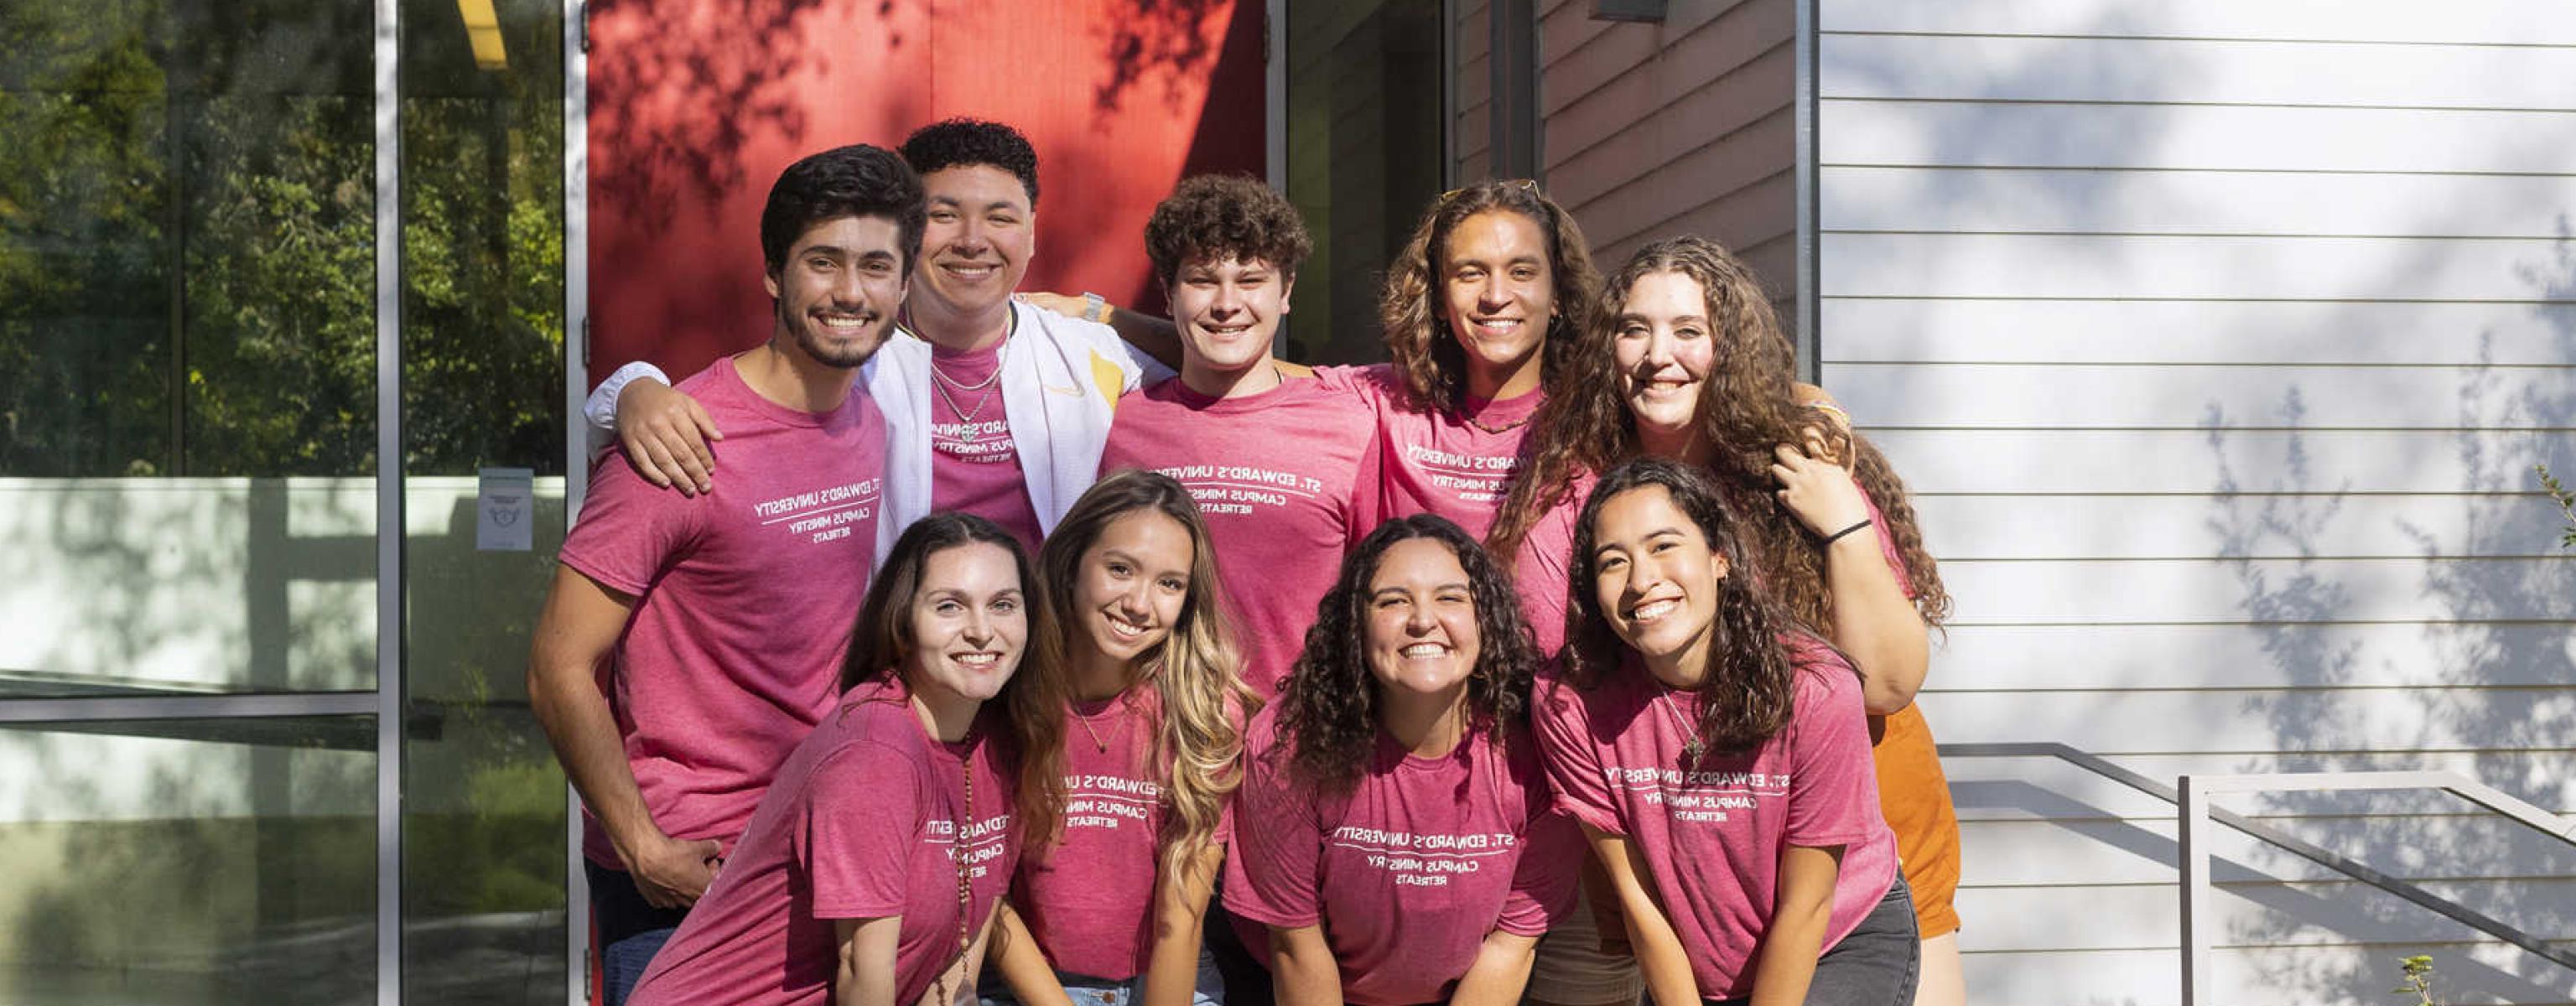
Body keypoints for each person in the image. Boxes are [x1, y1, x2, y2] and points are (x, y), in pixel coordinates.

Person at [1489, 236, 1966, 1006]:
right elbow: (1573, 693)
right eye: (1634, 329)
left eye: (1688, 330)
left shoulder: (1801, 471)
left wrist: (1842, 520)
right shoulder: (1579, 511)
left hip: (1864, 830)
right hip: (1705, 852)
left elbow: (1887, 681)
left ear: (1729, 344)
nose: (1657, 354)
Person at [527, 143, 916, 1004]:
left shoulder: (870, 418)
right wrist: (641, 846)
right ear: (775, 274)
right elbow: (557, 667)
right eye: (823, 262)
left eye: (875, 267)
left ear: (902, 287)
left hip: (815, 845)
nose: (850, 291)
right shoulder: (679, 444)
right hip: (684, 873)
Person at [592, 118, 1174, 557]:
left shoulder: (1082, 353)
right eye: (944, 215)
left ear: (1031, 237)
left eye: (1000, 218)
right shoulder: (852, 352)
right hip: (891, 687)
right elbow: (752, 391)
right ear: (908, 237)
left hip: (1045, 680)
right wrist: (633, 388)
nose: (973, 241)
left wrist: (1097, 311)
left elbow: (1227, 363)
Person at [627, 512, 1069, 1006]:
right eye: (950, 606)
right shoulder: (875, 755)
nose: (983, 631)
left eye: (1003, 605)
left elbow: (961, 943)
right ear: (902, 619)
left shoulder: (996, 737)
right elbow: (862, 972)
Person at [1536, 459, 1918, 1005]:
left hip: (1835, 938)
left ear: (1719, 557)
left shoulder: (1816, 687)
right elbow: (1638, 897)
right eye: (1613, 561)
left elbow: (1807, 905)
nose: (1642, 580)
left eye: (1664, 546)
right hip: (1700, 954)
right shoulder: (1571, 703)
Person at [1225, 515, 1578, 1006]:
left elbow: (1509, 948)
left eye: (1450, 597)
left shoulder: (1536, 750)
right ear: (1356, 623)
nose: (1422, 620)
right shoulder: (1290, 744)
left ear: (1486, 619)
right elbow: (1297, 947)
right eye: (1393, 601)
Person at [1094, 174, 1379, 699]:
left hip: (1300, 746)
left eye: (1250, 281)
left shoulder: (1351, 427)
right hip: (1152, 744)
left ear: (1286, 291)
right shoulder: (1116, 427)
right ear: (1168, 292)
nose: (1227, 304)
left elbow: (1379, 594)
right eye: (1203, 280)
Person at [985, 469, 1259, 1006]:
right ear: (1071, 566)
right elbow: (990, 896)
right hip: (1028, 982)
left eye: (1169, 584)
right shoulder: (1008, 699)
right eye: (1119, 570)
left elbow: (1181, 917)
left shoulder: (1203, 711)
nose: (1139, 603)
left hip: (1168, 981)